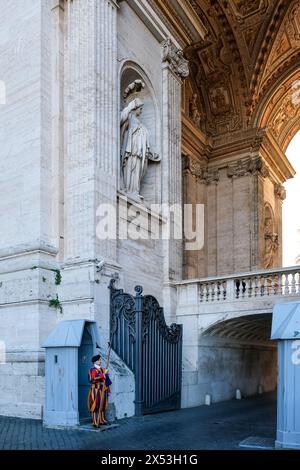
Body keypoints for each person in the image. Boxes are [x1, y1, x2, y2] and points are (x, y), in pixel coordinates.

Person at [87, 354, 112, 427]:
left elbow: (107, 381)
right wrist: (102, 375)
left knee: (103, 405)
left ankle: (101, 420)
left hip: (103, 389)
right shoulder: (92, 370)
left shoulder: (103, 369)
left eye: (100, 360)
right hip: (96, 390)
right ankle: (95, 421)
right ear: (95, 362)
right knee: (96, 405)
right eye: (98, 360)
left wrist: (108, 390)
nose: (100, 361)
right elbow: (92, 379)